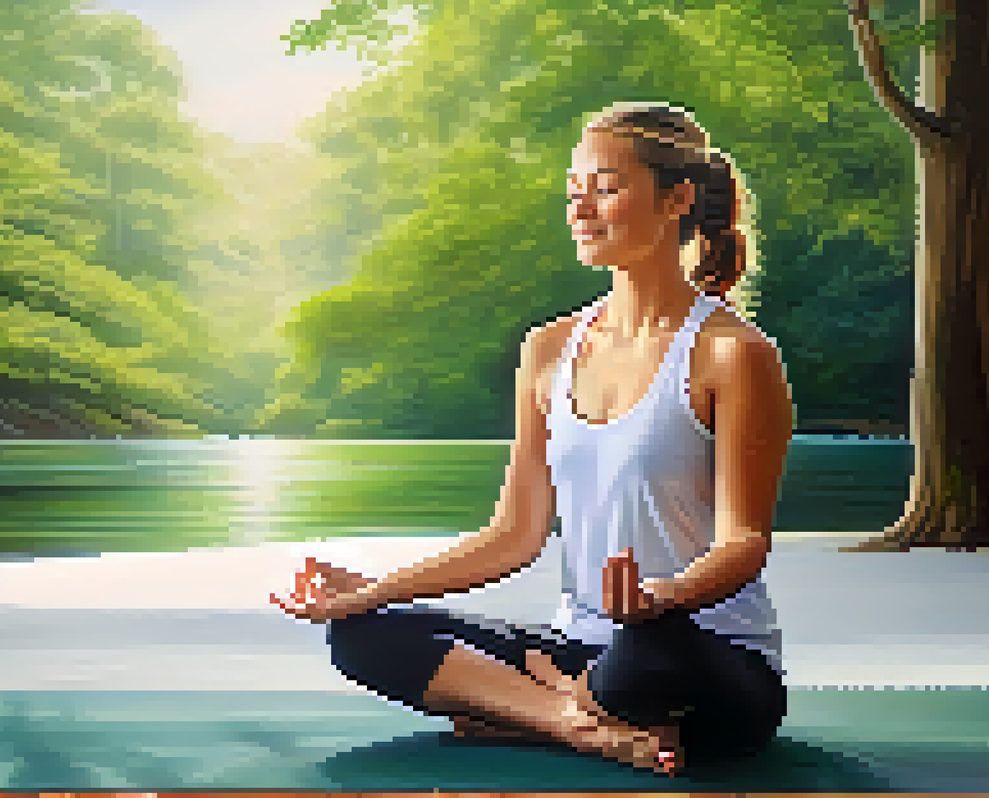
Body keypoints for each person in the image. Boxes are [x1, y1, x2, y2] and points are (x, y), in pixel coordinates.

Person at [270, 102, 794, 777]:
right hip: (584, 653)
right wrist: (375, 591)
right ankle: (581, 726)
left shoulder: (733, 354)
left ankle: (514, 712)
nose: (581, 209)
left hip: (701, 659)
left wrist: (668, 596)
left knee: (647, 654)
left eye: (605, 189)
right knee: (364, 637)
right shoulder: (549, 350)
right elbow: (514, 535)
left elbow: (744, 542)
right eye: (574, 193)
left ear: (678, 199)